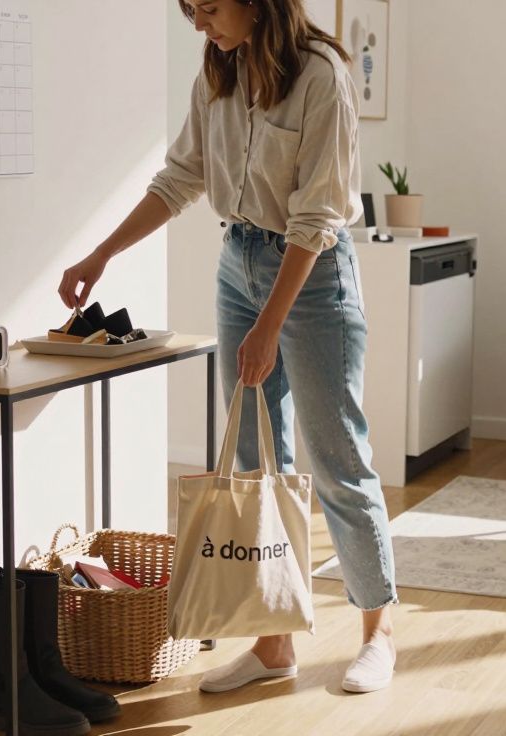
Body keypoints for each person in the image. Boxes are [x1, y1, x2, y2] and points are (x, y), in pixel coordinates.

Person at [57, 0, 397, 694]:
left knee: (338, 457)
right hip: (237, 265)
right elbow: (180, 178)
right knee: (251, 463)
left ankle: (378, 633)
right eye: (191, 12)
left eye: (209, 8)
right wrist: (101, 253)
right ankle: (273, 642)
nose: (200, 25)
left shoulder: (322, 75)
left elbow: (317, 216)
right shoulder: (218, 73)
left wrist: (270, 325)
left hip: (312, 273)